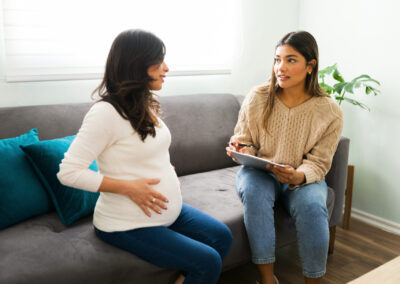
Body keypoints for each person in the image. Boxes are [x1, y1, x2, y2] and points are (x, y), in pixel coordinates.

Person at [58, 29, 232, 284]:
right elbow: (69, 172)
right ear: (137, 65)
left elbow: (145, 150)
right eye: (159, 61)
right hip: (125, 224)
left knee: (222, 237)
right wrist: (129, 188)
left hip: (164, 211)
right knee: (208, 260)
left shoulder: (144, 103)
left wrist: (165, 170)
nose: (167, 68)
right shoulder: (105, 113)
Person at [226, 31, 343, 284]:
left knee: (312, 206)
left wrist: (299, 175)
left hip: (301, 177)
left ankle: (313, 281)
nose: (281, 67)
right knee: (255, 195)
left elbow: (320, 163)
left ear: (310, 66)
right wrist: (242, 150)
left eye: (291, 60)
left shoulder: (329, 111)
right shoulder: (258, 96)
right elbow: (244, 138)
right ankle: (268, 280)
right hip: (258, 172)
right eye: (277, 59)